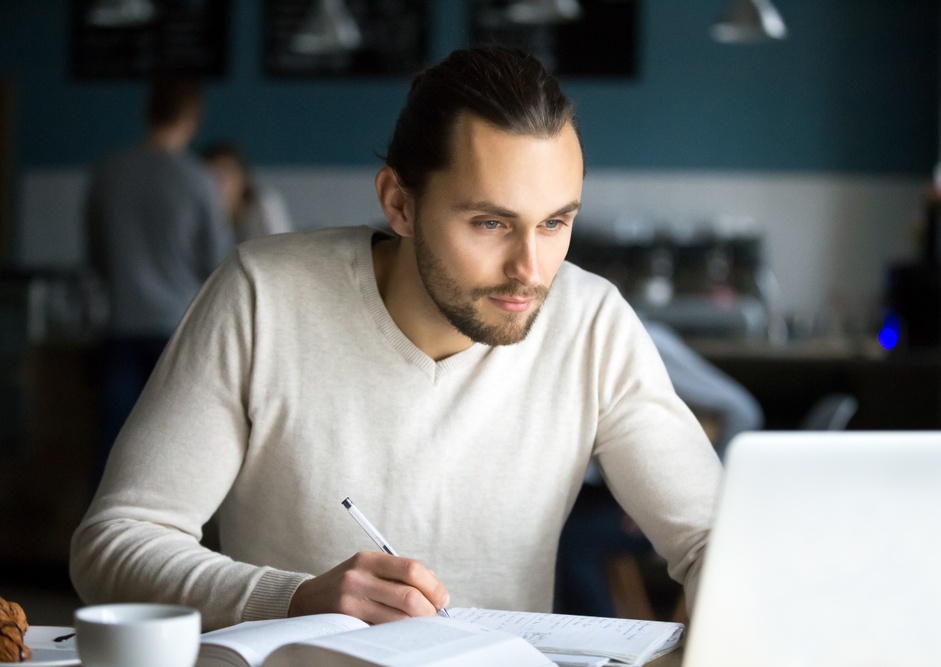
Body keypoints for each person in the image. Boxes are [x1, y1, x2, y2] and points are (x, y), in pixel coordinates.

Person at [70, 45, 723, 632]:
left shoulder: (592, 323)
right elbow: (114, 544)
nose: (531, 269)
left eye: (554, 223)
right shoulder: (262, 295)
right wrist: (293, 598)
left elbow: (715, 543)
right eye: (492, 223)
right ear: (399, 203)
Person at [555, 317, 763, 618]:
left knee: (569, 541)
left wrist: (683, 489)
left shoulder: (632, 339)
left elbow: (741, 411)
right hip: (611, 488)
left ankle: (602, 650)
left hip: (677, 507)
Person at [84, 74, 234, 483]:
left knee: (112, 450)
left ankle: (102, 542)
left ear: (147, 111)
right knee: (177, 448)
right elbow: (217, 263)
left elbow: (96, 254)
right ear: (192, 117)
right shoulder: (198, 179)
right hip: (178, 329)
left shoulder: (109, 172)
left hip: (121, 324)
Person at [201, 141, 295, 242]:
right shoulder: (199, 212)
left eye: (227, 172)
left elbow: (280, 249)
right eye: (212, 175)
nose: (221, 182)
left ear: (243, 178)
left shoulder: (264, 202)